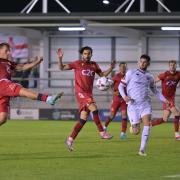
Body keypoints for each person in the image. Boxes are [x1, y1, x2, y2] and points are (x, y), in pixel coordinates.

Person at [57, 46, 115, 151]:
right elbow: (61, 68)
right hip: (80, 93)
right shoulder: (77, 63)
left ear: (91, 54)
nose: (87, 55)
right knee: (94, 108)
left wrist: (111, 68)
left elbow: (102, 75)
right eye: (85, 53)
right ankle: (102, 132)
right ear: (82, 54)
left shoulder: (94, 64)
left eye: (88, 53)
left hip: (88, 94)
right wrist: (60, 58)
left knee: (83, 120)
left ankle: (70, 139)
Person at [0, 42, 63, 126]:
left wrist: (36, 62)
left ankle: (48, 99)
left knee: (3, 118)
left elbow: (22, 67)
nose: (8, 53)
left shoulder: (9, 63)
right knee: (22, 90)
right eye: (6, 51)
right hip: (2, 84)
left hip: (4, 92)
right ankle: (48, 98)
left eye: (9, 51)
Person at [118, 54, 169, 156]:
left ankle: (142, 149)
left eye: (144, 62)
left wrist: (165, 100)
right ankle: (134, 125)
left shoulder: (149, 77)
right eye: (141, 61)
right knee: (135, 131)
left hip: (145, 104)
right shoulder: (130, 72)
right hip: (133, 105)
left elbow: (155, 91)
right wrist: (124, 96)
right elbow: (120, 86)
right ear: (138, 62)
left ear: (148, 64)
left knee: (147, 123)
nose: (142, 63)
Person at [151, 60, 180, 140]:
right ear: (169, 66)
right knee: (177, 114)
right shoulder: (164, 74)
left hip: (172, 98)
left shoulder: (178, 74)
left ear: (176, 66)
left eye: (174, 65)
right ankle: (177, 134)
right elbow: (153, 81)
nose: (172, 66)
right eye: (171, 65)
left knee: (165, 119)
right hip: (166, 99)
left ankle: (151, 124)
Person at [103, 62, 128, 140]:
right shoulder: (116, 76)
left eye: (124, 67)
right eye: (122, 67)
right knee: (112, 115)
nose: (123, 68)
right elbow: (109, 85)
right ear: (119, 68)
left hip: (124, 99)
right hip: (116, 99)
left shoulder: (128, 76)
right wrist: (113, 92)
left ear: (126, 68)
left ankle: (123, 133)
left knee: (124, 115)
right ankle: (104, 127)